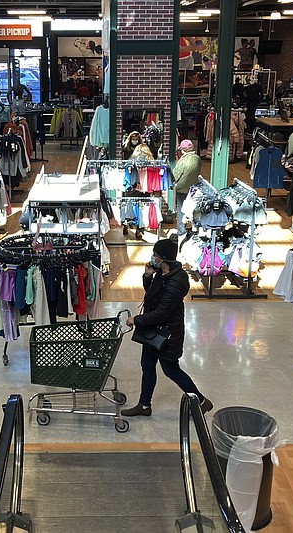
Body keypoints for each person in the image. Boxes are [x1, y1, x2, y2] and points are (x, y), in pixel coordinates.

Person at [122, 238, 212, 417]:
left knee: (171, 370)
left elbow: (162, 312)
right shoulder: (161, 274)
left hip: (167, 334)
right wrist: (148, 276)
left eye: (155, 255)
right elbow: (152, 295)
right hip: (153, 331)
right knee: (147, 366)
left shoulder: (176, 281)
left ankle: (202, 401)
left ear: (162, 258)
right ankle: (144, 405)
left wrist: (137, 320)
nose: (152, 258)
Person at [173, 140, 202, 235]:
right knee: (193, 208)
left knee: (181, 209)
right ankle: (195, 228)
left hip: (182, 188)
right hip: (194, 188)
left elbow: (176, 175)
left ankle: (181, 231)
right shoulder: (197, 159)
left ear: (183, 150)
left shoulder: (183, 160)